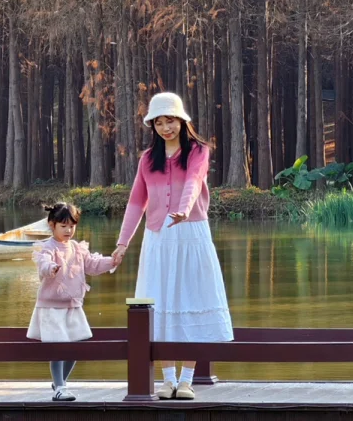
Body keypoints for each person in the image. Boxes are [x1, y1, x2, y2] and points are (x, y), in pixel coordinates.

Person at [113, 92, 233, 400]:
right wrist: (122, 243)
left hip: (191, 233)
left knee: (190, 299)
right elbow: (136, 202)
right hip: (158, 238)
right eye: (159, 122)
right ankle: (166, 380)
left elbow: (193, 180)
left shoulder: (198, 151)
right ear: (152, 125)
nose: (166, 128)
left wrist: (183, 208)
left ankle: (187, 379)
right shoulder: (146, 160)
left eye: (171, 121)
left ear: (182, 121)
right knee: (161, 302)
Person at [27, 201, 117, 402]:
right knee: (57, 347)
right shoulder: (48, 247)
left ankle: (60, 382)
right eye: (63, 226)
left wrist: (111, 261)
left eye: (72, 226)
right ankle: (60, 387)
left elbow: (92, 265)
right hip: (51, 306)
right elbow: (43, 263)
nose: (68, 230)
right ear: (52, 225)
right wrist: (51, 268)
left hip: (73, 305)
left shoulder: (77, 248)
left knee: (77, 344)